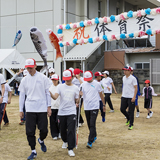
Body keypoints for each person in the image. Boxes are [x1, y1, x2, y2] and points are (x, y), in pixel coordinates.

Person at [18, 58, 52, 160]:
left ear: (35, 66)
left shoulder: (43, 78)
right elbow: (22, 95)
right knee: (29, 131)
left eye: (31, 68)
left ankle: (41, 140)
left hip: (41, 108)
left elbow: (47, 92)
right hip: (30, 108)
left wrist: (49, 106)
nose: (29, 70)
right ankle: (33, 150)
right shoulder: (24, 80)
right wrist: (21, 110)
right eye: (28, 68)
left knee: (44, 130)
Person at [50, 69, 79, 157]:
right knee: (62, 130)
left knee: (71, 130)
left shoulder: (75, 88)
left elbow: (77, 100)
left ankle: (70, 148)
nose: (67, 80)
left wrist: (79, 99)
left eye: (69, 78)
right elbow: (55, 97)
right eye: (66, 79)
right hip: (62, 112)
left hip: (71, 111)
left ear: (72, 77)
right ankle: (65, 141)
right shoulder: (60, 87)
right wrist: (49, 93)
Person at [80, 71, 105, 148]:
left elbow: (101, 94)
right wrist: (79, 95)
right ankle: (94, 135)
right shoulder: (83, 85)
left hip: (95, 106)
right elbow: (80, 95)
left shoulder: (97, 84)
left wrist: (103, 105)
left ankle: (89, 141)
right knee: (89, 124)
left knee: (92, 123)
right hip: (87, 107)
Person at [120, 66, 137, 130]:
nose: (124, 72)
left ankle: (131, 124)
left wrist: (134, 97)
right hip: (124, 96)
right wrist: (122, 94)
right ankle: (128, 118)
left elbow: (136, 88)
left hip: (131, 97)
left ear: (129, 71)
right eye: (124, 70)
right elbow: (124, 87)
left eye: (126, 70)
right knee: (122, 109)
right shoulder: (123, 78)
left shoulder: (133, 78)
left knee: (131, 111)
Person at [49, 74, 61, 140]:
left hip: (59, 106)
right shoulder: (50, 87)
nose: (54, 81)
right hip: (52, 106)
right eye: (53, 80)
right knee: (52, 121)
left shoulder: (60, 87)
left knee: (59, 121)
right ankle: (54, 134)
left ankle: (60, 132)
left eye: (55, 80)